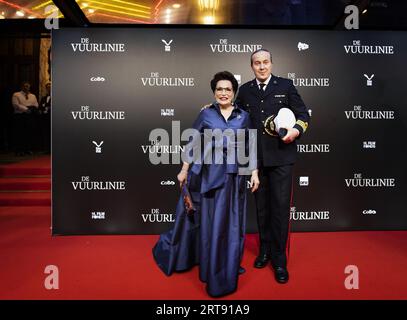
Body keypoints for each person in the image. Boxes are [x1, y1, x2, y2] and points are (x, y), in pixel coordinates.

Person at [153, 71, 259, 297]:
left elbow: (249, 147)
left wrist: (255, 173)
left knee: (231, 224)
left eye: (228, 89)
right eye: (219, 89)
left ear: (234, 92)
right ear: (214, 92)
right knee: (211, 224)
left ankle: (228, 263)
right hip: (210, 177)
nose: (223, 93)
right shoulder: (206, 114)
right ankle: (210, 266)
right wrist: (183, 170)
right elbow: (192, 143)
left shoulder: (244, 116)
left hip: (235, 178)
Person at [235, 49, 310, 284]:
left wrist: (296, 131)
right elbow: (237, 117)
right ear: (252, 66)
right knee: (262, 208)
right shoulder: (245, 90)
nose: (261, 66)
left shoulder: (286, 86)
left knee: (278, 209)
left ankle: (279, 259)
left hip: (281, 158)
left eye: (265, 62)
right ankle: (265, 250)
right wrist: (214, 109)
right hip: (256, 160)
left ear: (271, 63)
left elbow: (303, 116)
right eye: (257, 63)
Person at [11, 81, 39, 156]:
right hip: (20, 116)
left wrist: (32, 109)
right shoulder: (16, 94)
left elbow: (36, 104)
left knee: (28, 133)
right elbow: (16, 105)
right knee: (20, 133)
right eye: (25, 86)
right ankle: (19, 150)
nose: (27, 87)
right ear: (21, 87)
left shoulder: (33, 96)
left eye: (28, 86)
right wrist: (26, 109)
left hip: (29, 116)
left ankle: (27, 149)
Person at [39, 81, 51, 153]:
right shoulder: (43, 98)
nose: (49, 89)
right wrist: (40, 110)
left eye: (50, 88)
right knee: (46, 133)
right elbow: (40, 107)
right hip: (45, 118)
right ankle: (47, 149)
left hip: (53, 118)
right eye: (48, 88)